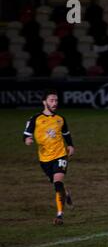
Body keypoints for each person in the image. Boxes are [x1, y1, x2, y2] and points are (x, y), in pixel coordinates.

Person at [23, 90, 74, 225]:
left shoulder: (60, 119)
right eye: (51, 100)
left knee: (57, 183)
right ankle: (66, 193)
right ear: (44, 102)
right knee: (57, 184)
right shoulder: (35, 119)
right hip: (44, 158)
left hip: (60, 154)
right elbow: (26, 134)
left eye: (56, 100)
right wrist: (27, 140)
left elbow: (66, 134)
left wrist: (70, 145)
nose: (55, 103)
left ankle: (60, 215)